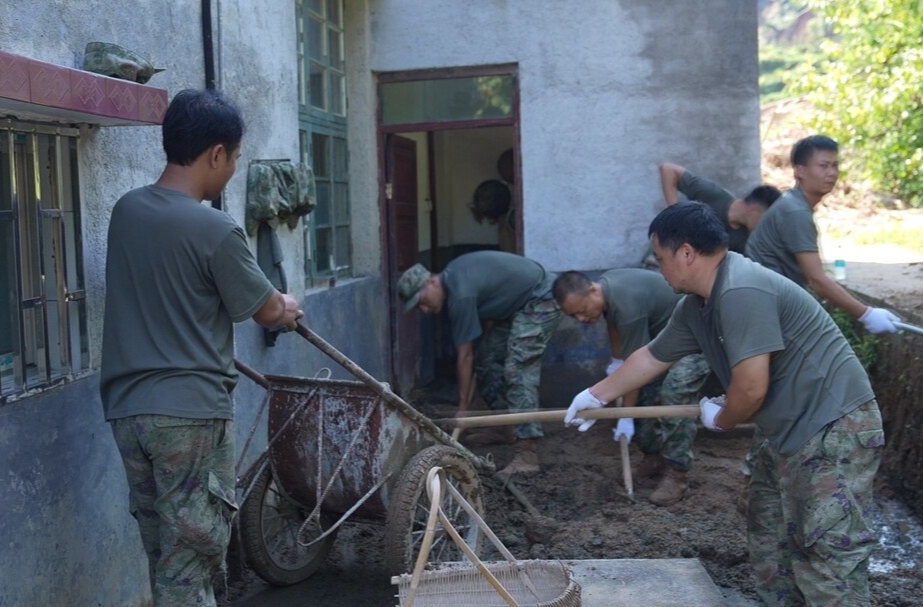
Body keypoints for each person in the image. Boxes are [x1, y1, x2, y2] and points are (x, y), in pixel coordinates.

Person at [565, 202, 884, 606]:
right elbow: (651, 356)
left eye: (660, 259)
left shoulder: (740, 289)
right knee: (770, 537)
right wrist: (597, 394)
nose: (659, 269)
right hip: (787, 431)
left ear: (685, 254)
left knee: (827, 556)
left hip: (834, 426)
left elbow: (750, 390)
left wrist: (723, 417)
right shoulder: (696, 305)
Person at [100, 89, 304, 606]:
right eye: (234, 158)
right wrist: (287, 305)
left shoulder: (126, 211)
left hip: (129, 412)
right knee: (192, 555)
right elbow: (264, 310)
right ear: (216, 154)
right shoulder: (214, 228)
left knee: (163, 552)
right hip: (189, 415)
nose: (233, 169)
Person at [552, 269, 711, 506]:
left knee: (674, 391)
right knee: (641, 395)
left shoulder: (627, 305)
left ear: (593, 289)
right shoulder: (607, 293)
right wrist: (617, 361)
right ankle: (653, 455)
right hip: (668, 342)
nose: (582, 320)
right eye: (574, 316)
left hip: (702, 337)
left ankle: (677, 474)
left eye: (583, 311)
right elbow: (614, 328)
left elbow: (636, 369)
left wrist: (624, 415)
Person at [397, 251, 562, 476]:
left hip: (541, 298)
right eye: (418, 308)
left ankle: (527, 454)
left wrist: (463, 408)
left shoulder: (459, 295)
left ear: (432, 281)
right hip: (516, 308)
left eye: (422, 301)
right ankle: (506, 427)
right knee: (487, 359)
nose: (424, 310)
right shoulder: (453, 277)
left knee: (518, 369)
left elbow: (465, 356)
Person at [746, 135, 900, 334]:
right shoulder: (796, 211)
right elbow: (817, 280)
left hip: (767, 305)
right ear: (800, 171)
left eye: (835, 165)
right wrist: (867, 314)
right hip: (763, 310)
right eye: (823, 165)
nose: (832, 173)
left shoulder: (794, 203)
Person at [659, 161, 781, 254]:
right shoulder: (714, 195)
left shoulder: (744, 240)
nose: (765, 227)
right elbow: (668, 169)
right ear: (754, 210)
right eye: (765, 220)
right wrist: (673, 214)